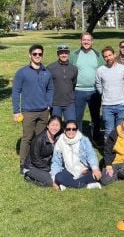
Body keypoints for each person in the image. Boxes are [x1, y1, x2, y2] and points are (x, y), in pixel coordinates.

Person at [12, 44, 54, 173]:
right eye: (35, 54)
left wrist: (48, 104)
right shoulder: (22, 72)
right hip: (28, 112)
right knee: (27, 138)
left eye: (40, 54)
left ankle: (38, 161)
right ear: (30, 55)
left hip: (43, 111)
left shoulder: (47, 72)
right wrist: (16, 111)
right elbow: (15, 91)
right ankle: (23, 164)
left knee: (40, 138)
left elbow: (50, 89)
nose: (37, 56)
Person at [69, 32, 104, 142]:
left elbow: (103, 71)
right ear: (81, 41)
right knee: (77, 117)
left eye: (88, 40)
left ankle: (96, 138)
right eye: (84, 40)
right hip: (78, 91)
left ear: (92, 42)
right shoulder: (74, 55)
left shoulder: (98, 55)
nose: (86, 42)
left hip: (94, 91)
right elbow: (69, 71)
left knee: (95, 117)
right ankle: (77, 139)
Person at [50, 120, 102, 190]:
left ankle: (68, 185)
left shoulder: (84, 140)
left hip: (84, 170)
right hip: (69, 171)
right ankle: (87, 186)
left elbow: (91, 155)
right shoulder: (59, 142)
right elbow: (56, 162)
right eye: (68, 129)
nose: (71, 131)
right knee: (58, 177)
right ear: (64, 130)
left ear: (77, 130)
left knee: (95, 175)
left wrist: (95, 169)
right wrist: (54, 180)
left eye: (74, 129)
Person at [96, 46, 124, 138]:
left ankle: (118, 151)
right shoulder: (100, 70)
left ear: (114, 55)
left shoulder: (122, 68)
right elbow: (98, 84)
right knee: (109, 131)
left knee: (120, 130)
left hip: (121, 104)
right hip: (107, 105)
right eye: (105, 56)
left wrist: (120, 92)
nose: (108, 58)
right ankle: (108, 152)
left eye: (110, 55)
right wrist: (104, 93)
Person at [101, 114, 124, 185]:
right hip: (113, 161)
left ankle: (116, 174)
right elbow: (107, 150)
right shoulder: (114, 133)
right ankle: (113, 173)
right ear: (123, 120)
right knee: (104, 181)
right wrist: (108, 166)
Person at [24, 116, 62, 187]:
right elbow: (36, 160)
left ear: (60, 127)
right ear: (47, 126)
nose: (54, 128)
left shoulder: (58, 138)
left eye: (57, 125)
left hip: (46, 166)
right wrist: (50, 170)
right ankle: (28, 176)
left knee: (61, 177)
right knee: (49, 182)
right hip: (32, 167)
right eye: (52, 125)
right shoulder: (38, 139)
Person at [47, 44, 78, 121]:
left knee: (70, 125)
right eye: (61, 53)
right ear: (58, 54)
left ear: (68, 54)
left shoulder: (74, 68)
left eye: (66, 53)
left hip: (69, 103)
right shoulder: (50, 68)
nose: (64, 55)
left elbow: (73, 84)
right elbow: (47, 86)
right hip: (55, 103)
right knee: (56, 127)